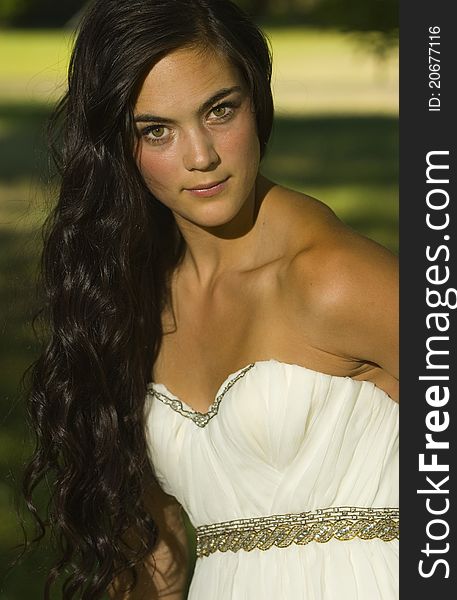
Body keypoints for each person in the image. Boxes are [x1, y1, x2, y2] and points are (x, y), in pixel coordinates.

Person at [23, 0, 399, 598]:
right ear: (116, 145)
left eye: (220, 110)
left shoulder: (335, 279)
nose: (201, 156)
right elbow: (154, 554)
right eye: (157, 130)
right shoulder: (135, 302)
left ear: (258, 98)